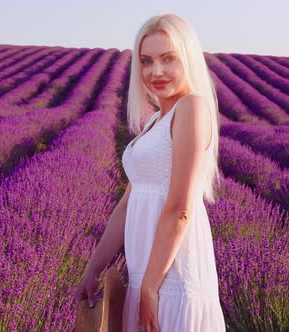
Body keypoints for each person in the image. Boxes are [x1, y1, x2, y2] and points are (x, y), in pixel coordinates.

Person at [75, 12, 226, 332]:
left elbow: (181, 209)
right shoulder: (156, 120)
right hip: (148, 272)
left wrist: (151, 287)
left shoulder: (191, 108)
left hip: (173, 276)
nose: (156, 70)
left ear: (188, 58)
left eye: (169, 58)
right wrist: (94, 268)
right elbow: (127, 204)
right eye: (146, 60)